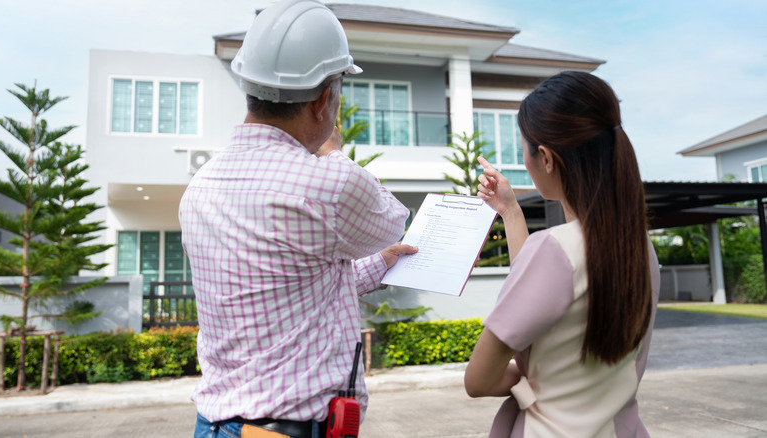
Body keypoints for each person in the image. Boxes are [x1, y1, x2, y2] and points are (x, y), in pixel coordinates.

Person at [179, 1, 416, 437]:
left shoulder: (201, 185)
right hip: (283, 430)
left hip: (215, 425)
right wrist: (330, 148)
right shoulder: (326, 183)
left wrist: (383, 261)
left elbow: (289, 284)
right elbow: (393, 220)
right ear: (325, 98)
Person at [464, 71, 660, 437]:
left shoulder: (555, 249)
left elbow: (478, 379)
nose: (524, 160)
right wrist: (510, 211)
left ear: (547, 158)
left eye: (523, 148)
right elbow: (545, 286)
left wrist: (529, 383)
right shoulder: (640, 249)